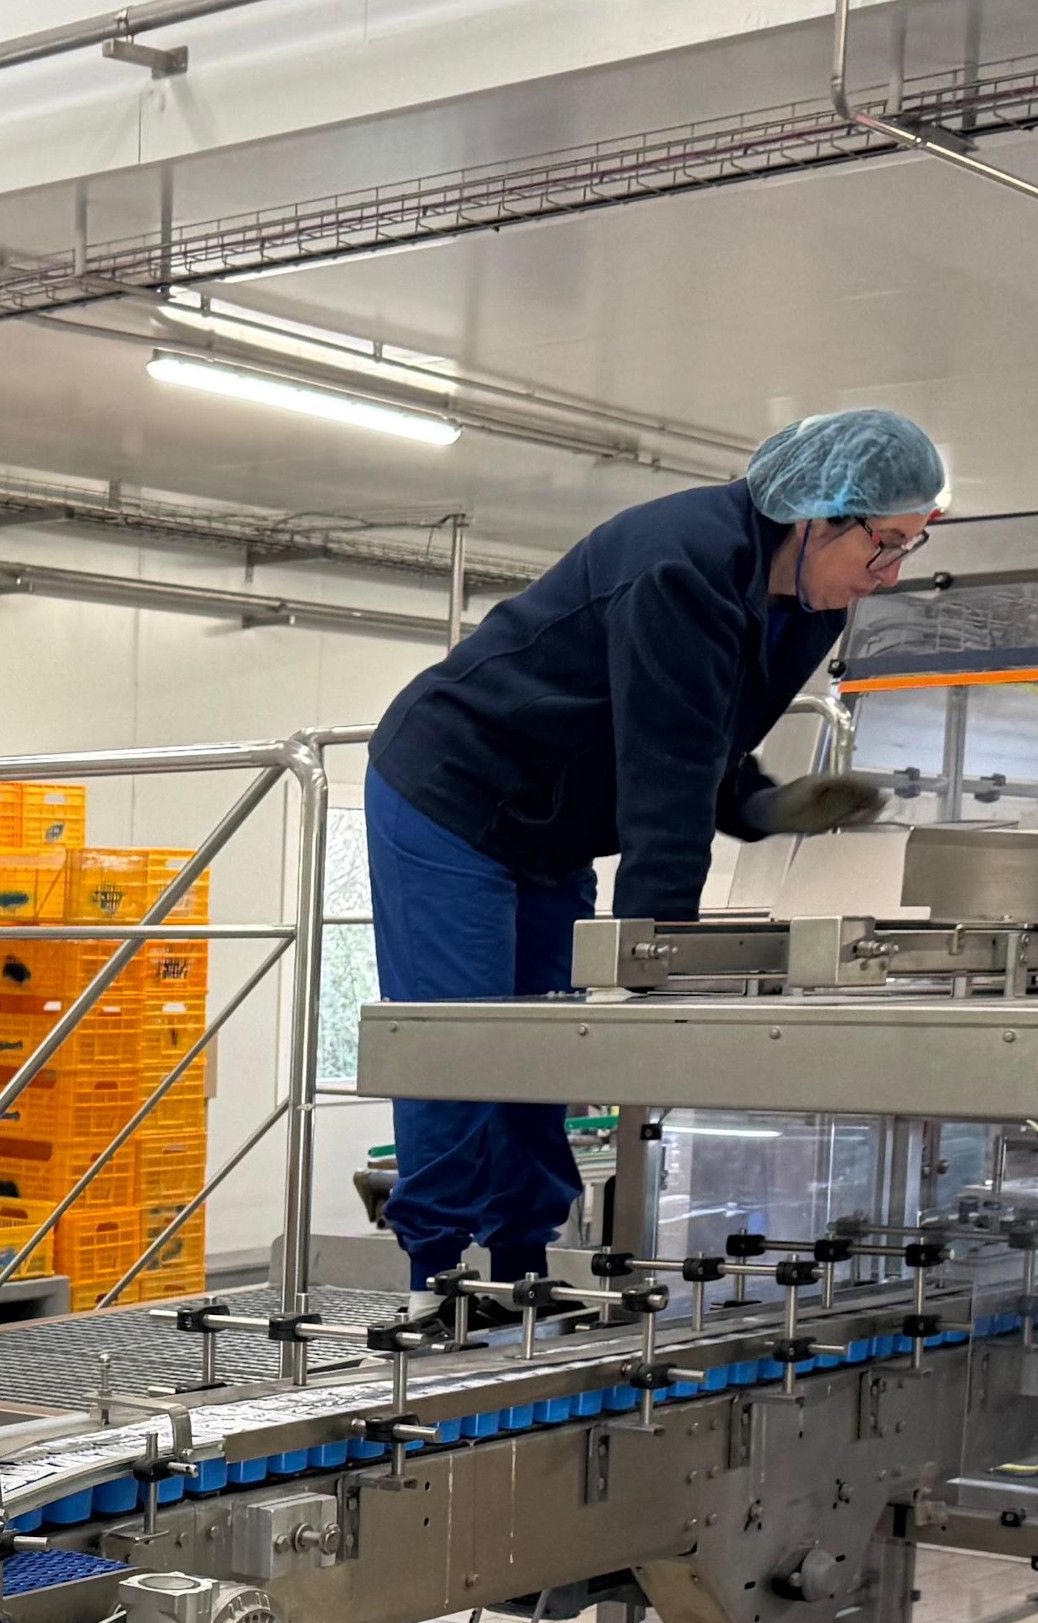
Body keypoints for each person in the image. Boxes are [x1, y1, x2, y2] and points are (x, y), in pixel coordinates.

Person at [360, 407, 946, 1287]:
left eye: (910, 547)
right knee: (465, 1045)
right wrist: (657, 965)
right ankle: (434, 1281)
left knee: (540, 1051)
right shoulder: (682, 564)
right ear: (817, 516)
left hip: (551, 823)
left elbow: (700, 734)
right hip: (453, 790)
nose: (888, 573)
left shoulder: (807, 605)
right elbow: (665, 782)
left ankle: (520, 1271)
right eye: (883, 545)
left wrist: (761, 803)